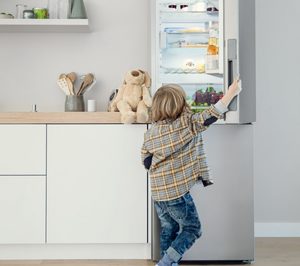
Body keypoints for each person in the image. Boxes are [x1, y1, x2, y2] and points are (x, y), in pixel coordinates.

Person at [141, 79, 241, 266]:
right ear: (181, 105)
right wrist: (232, 92)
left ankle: (168, 263)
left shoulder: (152, 131)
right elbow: (212, 114)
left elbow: (146, 161)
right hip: (177, 194)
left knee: (168, 229)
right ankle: (165, 263)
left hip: (158, 193)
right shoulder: (188, 124)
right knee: (193, 229)